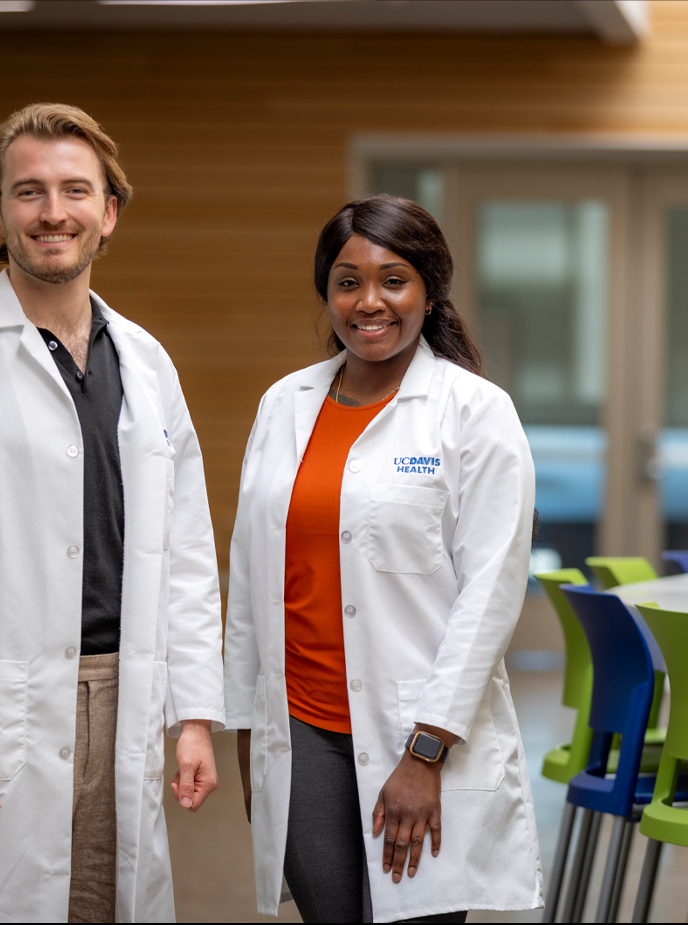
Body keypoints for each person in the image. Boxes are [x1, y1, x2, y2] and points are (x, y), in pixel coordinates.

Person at [0, 103, 224, 923]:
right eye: (28, 192)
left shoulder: (149, 362)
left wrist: (194, 715)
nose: (53, 212)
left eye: (74, 191)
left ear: (109, 213)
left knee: (100, 902)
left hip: (124, 690)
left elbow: (188, 552)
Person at [224, 195, 543, 923]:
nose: (369, 301)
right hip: (299, 731)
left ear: (429, 291)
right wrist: (250, 739)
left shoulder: (474, 411)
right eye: (347, 280)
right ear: (326, 291)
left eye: (393, 279)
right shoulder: (284, 405)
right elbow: (250, 583)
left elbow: (490, 595)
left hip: (419, 735)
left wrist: (426, 751)